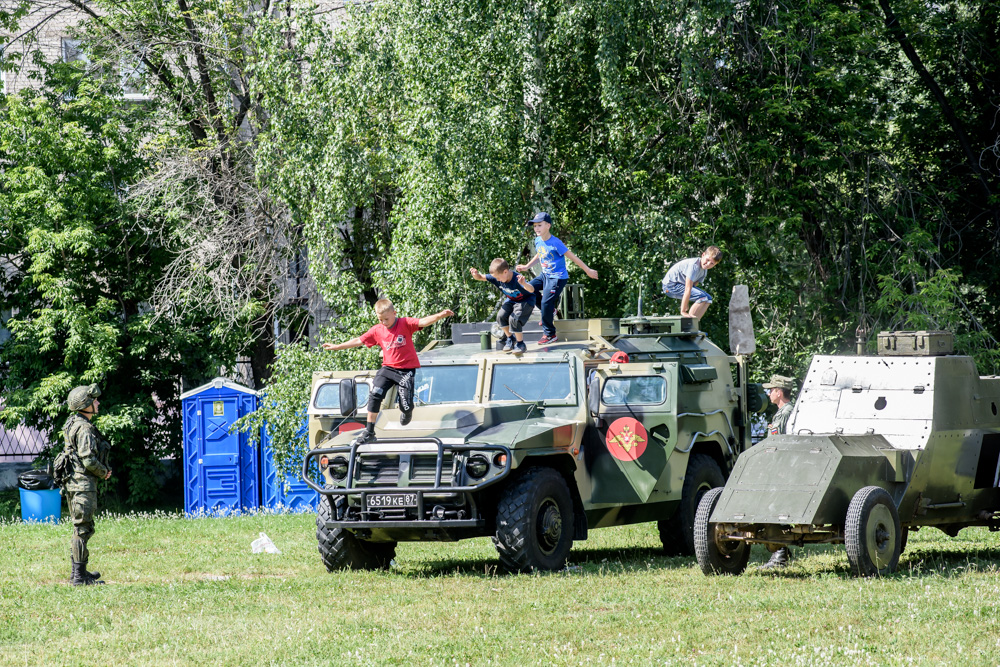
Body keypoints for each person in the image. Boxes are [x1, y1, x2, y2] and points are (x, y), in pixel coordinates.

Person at [322, 299, 454, 445]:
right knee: (375, 393)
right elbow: (358, 340)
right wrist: (337, 346)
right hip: (388, 368)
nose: (384, 322)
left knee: (405, 404)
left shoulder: (405, 323)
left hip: (406, 370)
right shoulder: (377, 330)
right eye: (380, 319)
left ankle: (407, 410)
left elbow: (423, 322)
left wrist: (441, 315)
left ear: (394, 313)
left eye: (386, 319)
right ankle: (369, 432)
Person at [515, 212, 598, 345]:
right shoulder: (538, 240)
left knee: (545, 303)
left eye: (539, 225)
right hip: (545, 275)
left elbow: (572, 257)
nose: (536, 229)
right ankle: (550, 311)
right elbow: (539, 255)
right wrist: (527, 266)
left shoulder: (556, 243)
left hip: (557, 278)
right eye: (535, 226)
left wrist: (588, 270)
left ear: (548, 225)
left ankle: (550, 335)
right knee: (527, 289)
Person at [61, 384, 111, 586]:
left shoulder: (72, 422)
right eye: (94, 401)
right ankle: (79, 578)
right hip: (82, 484)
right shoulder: (84, 428)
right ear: (86, 404)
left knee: (81, 528)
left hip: (75, 483)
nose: (97, 403)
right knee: (83, 529)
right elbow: (88, 459)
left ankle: (78, 574)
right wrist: (103, 472)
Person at [758, 373, 797, 570]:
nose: (769, 393)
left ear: (779, 392)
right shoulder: (792, 410)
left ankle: (780, 553)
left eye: (771, 390)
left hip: (782, 469)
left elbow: (778, 444)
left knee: (773, 508)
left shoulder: (784, 413)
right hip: (787, 468)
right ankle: (782, 551)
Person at [469, 259, 535, 356]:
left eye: (499, 278)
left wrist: (524, 284)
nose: (498, 280)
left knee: (514, 318)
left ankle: (520, 344)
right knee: (500, 316)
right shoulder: (496, 277)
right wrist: (475, 275)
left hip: (526, 300)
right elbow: (480, 277)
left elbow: (531, 289)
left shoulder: (517, 278)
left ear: (505, 272)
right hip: (512, 300)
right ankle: (510, 338)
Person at [661, 246, 722, 319]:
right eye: (707, 260)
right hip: (669, 286)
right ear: (703, 255)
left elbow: (693, 287)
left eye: (712, 263)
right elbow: (688, 289)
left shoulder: (704, 270)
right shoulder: (694, 266)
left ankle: (696, 323)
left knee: (708, 299)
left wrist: (686, 301)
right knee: (702, 297)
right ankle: (689, 322)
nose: (708, 264)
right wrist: (683, 310)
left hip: (680, 286)